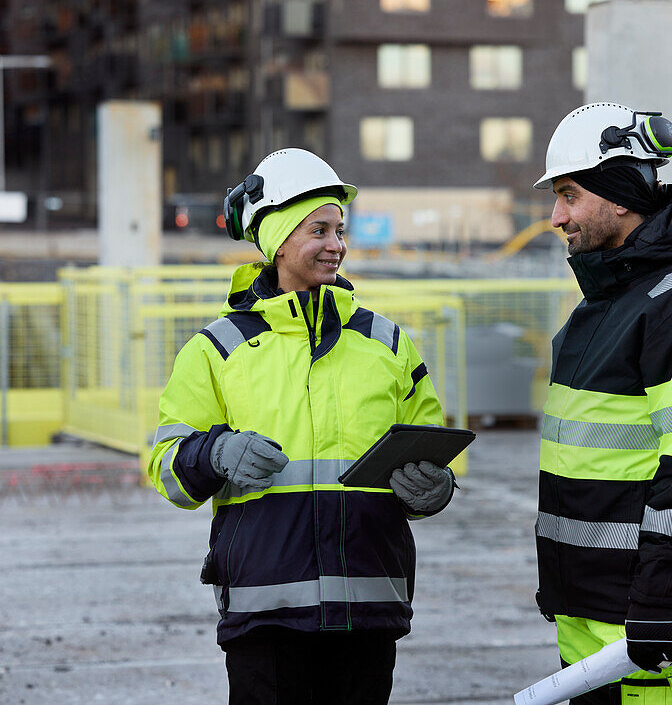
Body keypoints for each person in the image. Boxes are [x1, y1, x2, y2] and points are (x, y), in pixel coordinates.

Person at [148, 147, 457, 705]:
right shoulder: (218, 348)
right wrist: (214, 454)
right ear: (279, 238)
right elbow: (166, 465)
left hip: (370, 607)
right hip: (264, 614)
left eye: (340, 230)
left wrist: (437, 487)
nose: (337, 245)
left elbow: (429, 447)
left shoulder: (387, 343)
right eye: (320, 229)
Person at [531, 103, 672, 705]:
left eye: (570, 195)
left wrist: (659, 601)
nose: (557, 216)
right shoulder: (603, 306)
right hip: (585, 610)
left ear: (619, 195)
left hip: (641, 617)